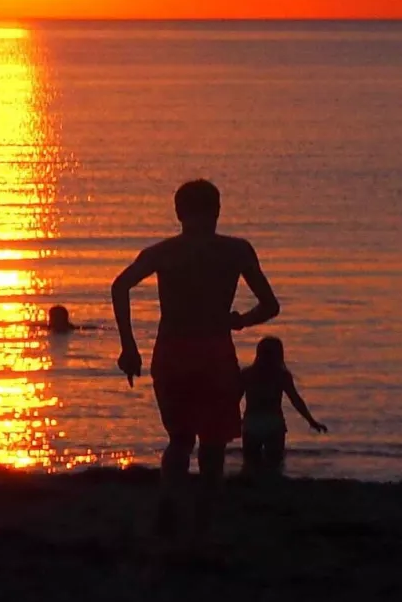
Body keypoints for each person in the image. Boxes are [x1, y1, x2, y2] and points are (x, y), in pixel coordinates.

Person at [112, 180, 280, 557]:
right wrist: (239, 321)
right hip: (214, 352)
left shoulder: (164, 253)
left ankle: (170, 506)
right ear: (217, 210)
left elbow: (120, 286)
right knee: (213, 445)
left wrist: (129, 346)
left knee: (180, 439)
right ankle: (203, 525)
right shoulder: (236, 251)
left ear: (178, 213)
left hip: (171, 351)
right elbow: (270, 305)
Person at [240, 337, 327, 478]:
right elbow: (295, 400)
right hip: (274, 423)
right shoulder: (282, 375)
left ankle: (252, 493)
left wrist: (231, 419)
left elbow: (234, 398)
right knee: (274, 465)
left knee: (250, 465)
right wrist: (311, 421)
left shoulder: (247, 374)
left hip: (252, 423)